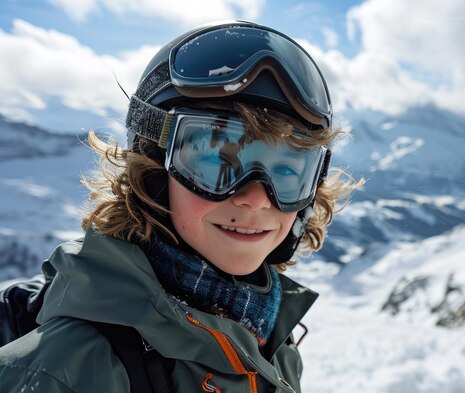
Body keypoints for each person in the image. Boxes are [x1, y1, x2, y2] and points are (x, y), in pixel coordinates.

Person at [0, 20, 360, 393]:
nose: (255, 198)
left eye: (287, 170)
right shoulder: (61, 372)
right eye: (217, 165)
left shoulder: (272, 341)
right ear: (154, 172)